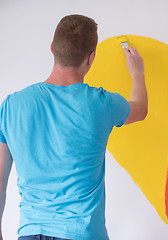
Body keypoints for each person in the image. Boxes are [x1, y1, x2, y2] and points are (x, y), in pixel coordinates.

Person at [0, 14, 147, 240]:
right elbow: (141, 109)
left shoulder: (11, 106)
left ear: (52, 48)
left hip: (30, 233)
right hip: (81, 234)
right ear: (91, 57)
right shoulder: (101, 103)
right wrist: (137, 73)